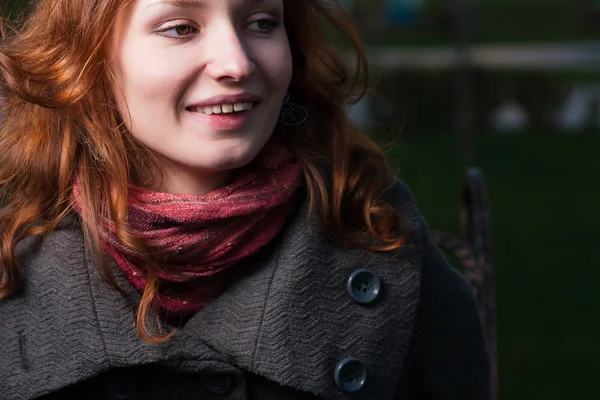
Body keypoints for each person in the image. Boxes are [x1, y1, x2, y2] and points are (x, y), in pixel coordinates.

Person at [0, 0, 492, 399]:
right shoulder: (15, 271)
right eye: (180, 28)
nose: (237, 62)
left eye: (261, 22)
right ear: (88, 59)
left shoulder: (380, 245)